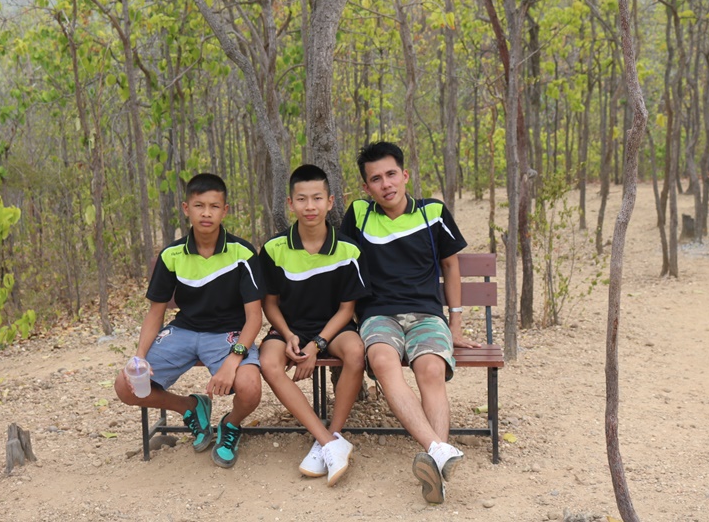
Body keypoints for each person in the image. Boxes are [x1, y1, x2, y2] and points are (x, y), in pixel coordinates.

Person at [339, 141, 482, 505]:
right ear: (366, 187)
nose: (385, 184)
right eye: (376, 179)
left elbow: (451, 266)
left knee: (431, 369)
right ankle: (438, 449)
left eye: (391, 174)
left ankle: (436, 458)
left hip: (426, 314)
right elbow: (343, 267)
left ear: (405, 175)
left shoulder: (432, 212)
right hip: (378, 314)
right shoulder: (359, 214)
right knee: (383, 361)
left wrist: (455, 325)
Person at [114, 173, 264, 468]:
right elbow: (156, 312)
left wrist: (233, 360)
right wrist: (139, 356)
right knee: (125, 386)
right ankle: (190, 406)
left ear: (225, 210)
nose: (206, 213)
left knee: (250, 388)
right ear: (186, 209)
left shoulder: (242, 253)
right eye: (199, 206)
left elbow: (255, 318)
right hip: (183, 330)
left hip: (228, 334)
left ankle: (230, 425)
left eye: (214, 206)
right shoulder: (172, 254)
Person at [258, 164, 368, 487]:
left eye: (317, 198)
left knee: (356, 352)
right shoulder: (274, 248)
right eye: (302, 199)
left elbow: (347, 310)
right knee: (268, 361)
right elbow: (270, 304)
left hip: (332, 328)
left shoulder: (348, 250)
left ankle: (332, 434)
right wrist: (290, 335)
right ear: (290, 204)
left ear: (330, 202)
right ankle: (328, 442)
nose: (310, 206)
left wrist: (317, 344)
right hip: (289, 327)